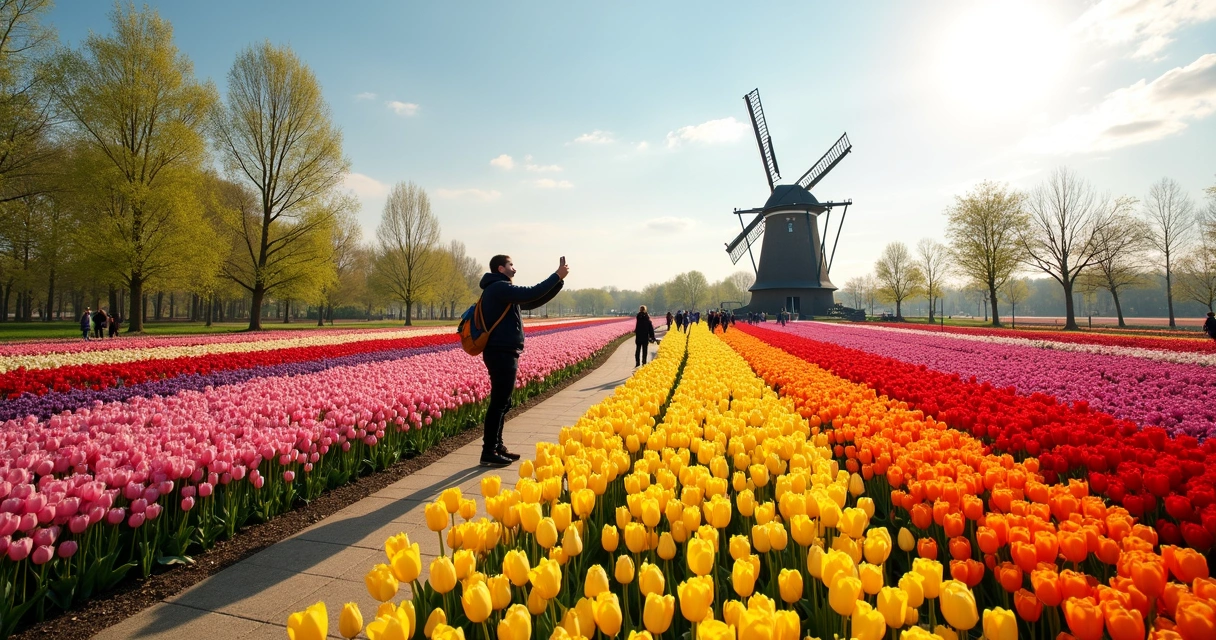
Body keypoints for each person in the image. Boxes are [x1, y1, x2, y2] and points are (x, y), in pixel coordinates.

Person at [477, 254, 568, 467]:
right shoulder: (499, 288)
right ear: (501, 268)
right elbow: (531, 292)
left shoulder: (501, 290)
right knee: (499, 402)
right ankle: (488, 450)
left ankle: (497, 445)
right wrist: (556, 275)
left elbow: (533, 301)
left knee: (504, 402)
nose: (514, 269)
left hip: (504, 351)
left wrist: (559, 282)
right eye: (511, 265)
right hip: (500, 351)